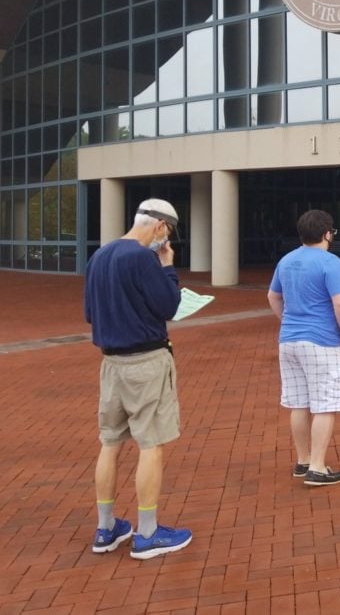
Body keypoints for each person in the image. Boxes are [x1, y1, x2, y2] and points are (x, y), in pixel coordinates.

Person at [83, 198, 192, 560]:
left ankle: (105, 527)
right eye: (169, 231)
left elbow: (89, 312)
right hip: (146, 360)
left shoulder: (100, 256)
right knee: (151, 443)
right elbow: (169, 306)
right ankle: (147, 533)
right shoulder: (144, 257)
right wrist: (168, 267)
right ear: (160, 226)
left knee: (110, 442)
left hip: (110, 363)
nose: (167, 239)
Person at [267, 209, 340, 487]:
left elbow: (273, 295)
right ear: (327, 233)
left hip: (289, 339)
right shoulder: (330, 262)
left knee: (299, 402)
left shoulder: (286, 260)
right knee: (325, 403)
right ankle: (318, 467)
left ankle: (303, 460)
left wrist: (287, 319)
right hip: (322, 340)